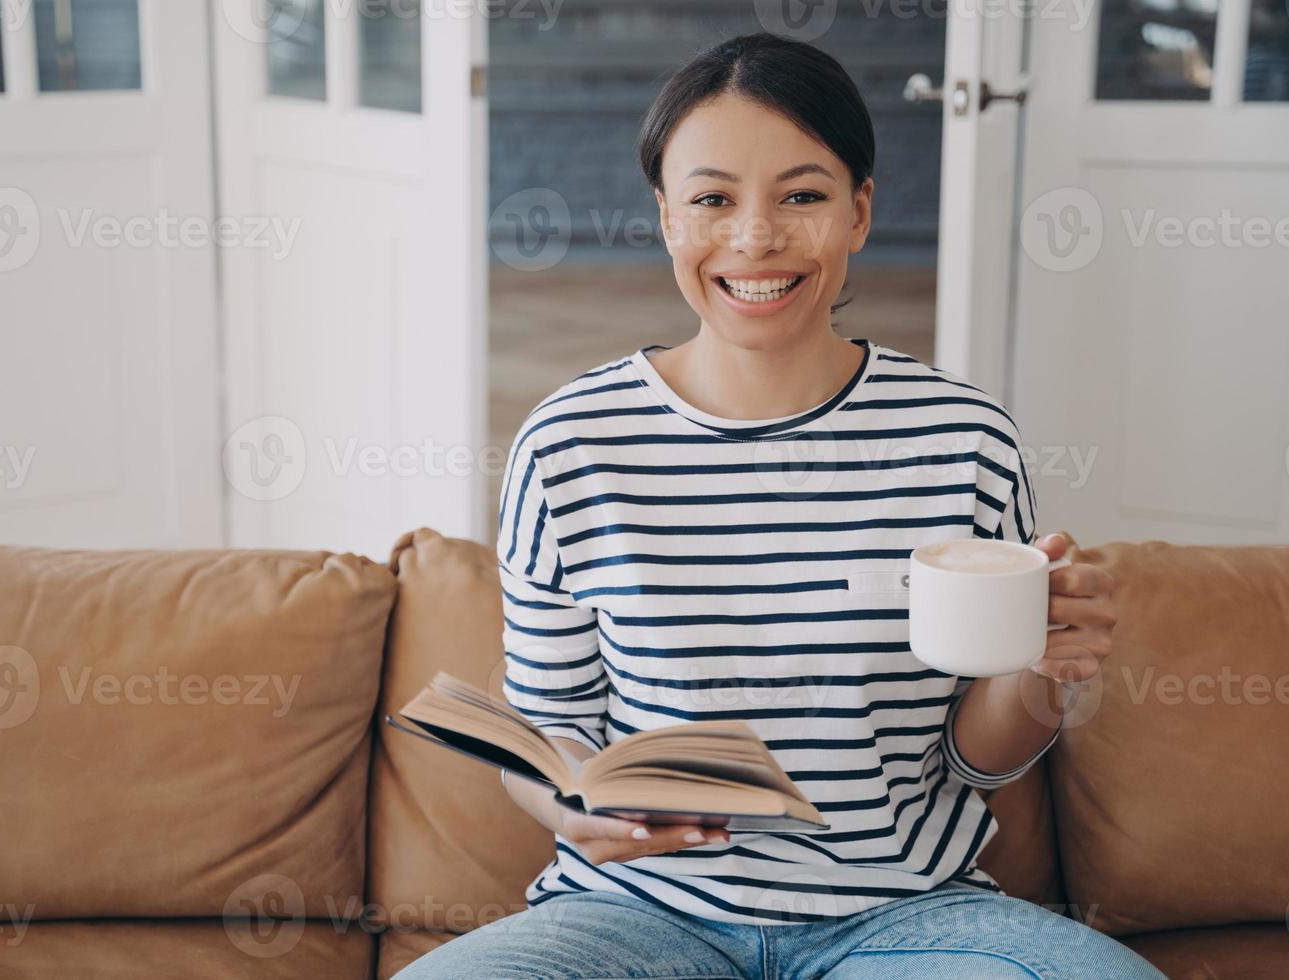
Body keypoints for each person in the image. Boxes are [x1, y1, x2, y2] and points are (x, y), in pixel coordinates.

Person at [397, 32, 1163, 980]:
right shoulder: (570, 443)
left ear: (860, 212)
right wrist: (571, 810)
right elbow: (548, 733)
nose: (755, 238)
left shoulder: (964, 438)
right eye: (713, 199)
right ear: (667, 219)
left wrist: (1046, 676)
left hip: (906, 917)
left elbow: (977, 760)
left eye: (802, 196)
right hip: (634, 915)